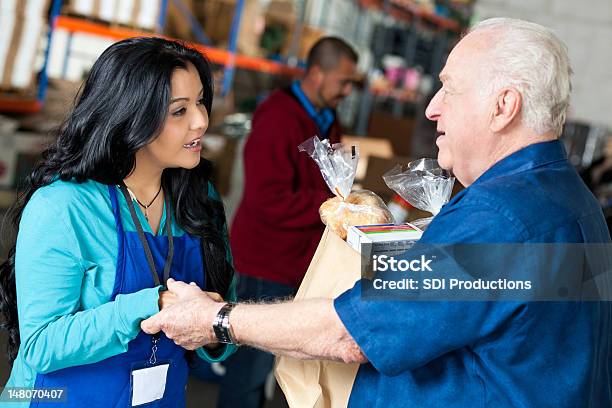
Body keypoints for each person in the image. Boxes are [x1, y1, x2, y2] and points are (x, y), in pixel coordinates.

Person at [141, 18, 612, 407]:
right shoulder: (568, 204)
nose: (432, 109)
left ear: (503, 106)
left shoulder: (503, 218)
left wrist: (217, 320)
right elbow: (493, 308)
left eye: (449, 89)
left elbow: (351, 334)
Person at [0, 37, 236, 407]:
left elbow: (221, 325)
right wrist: (153, 306)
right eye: (179, 111)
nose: (201, 121)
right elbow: (41, 345)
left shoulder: (198, 202)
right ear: (130, 115)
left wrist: (212, 330)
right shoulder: (64, 206)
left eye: (202, 102)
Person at [219, 37, 359, 407]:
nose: (347, 91)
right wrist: (327, 205)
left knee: (287, 368)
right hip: (266, 263)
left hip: (299, 262)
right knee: (250, 369)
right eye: (343, 81)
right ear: (316, 73)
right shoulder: (279, 116)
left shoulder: (327, 118)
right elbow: (267, 198)